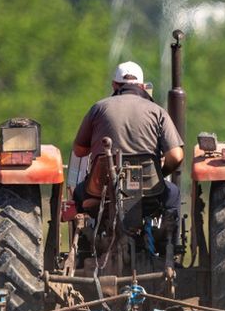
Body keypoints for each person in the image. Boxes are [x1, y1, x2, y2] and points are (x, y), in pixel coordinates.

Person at [72, 60, 184, 215]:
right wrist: (159, 174)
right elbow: (176, 156)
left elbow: (79, 151)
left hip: (101, 190)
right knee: (173, 194)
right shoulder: (157, 112)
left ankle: (86, 237)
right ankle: (169, 240)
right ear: (143, 86)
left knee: (78, 193)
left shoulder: (98, 108)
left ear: (114, 85)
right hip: (149, 190)